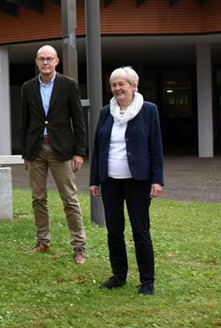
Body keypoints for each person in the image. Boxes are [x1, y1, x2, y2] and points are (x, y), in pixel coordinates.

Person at [90, 67, 163, 296]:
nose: (117, 89)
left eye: (122, 84)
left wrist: (157, 179)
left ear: (133, 85)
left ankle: (147, 281)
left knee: (141, 231)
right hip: (110, 180)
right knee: (114, 230)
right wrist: (94, 180)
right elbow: (98, 147)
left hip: (138, 181)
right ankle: (119, 276)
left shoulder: (149, 111)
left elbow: (156, 147)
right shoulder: (105, 112)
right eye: (113, 85)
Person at [19, 45, 88, 264]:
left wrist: (79, 152)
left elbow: (78, 121)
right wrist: (26, 154)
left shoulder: (68, 85)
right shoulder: (28, 87)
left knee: (69, 198)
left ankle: (79, 246)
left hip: (62, 150)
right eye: (42, 59)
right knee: (38, 198)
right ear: (37, 62)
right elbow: (24, 122)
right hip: (36, 149)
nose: (46, 63)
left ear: (57, 61)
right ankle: (42, 241)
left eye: (50, 59)